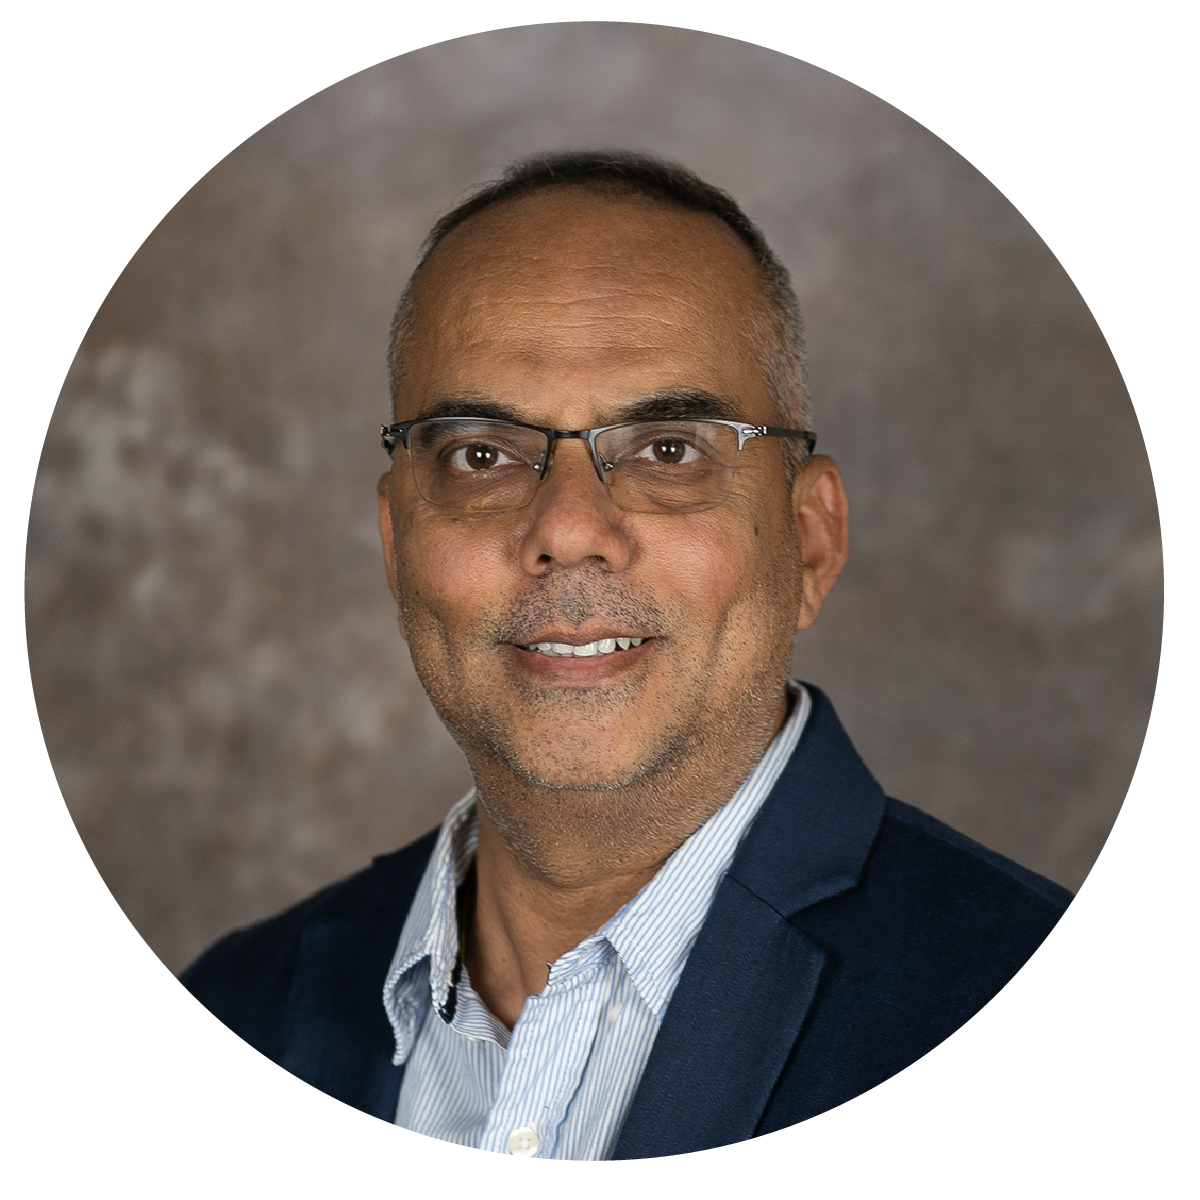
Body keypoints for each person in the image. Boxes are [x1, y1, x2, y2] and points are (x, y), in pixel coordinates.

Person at [180, 152, 1077, 1182]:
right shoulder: (224, 1017)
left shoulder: (1061, 1016)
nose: (567, 529)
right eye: (481, 453)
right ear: (396, 547)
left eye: (667, 451)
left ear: (809, 542)